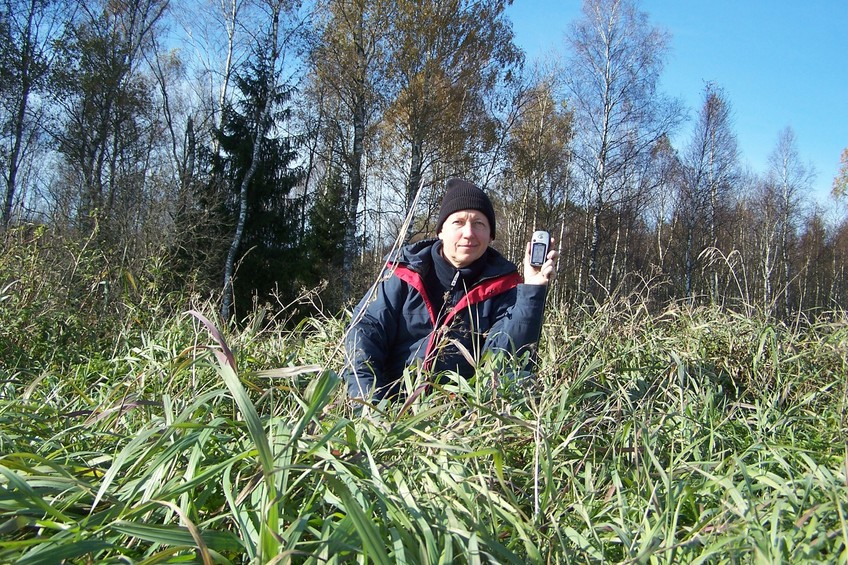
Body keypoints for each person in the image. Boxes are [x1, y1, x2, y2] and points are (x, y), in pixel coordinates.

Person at [342, 178, 558, 402]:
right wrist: (368, 407)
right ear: (441, 231)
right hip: (390, 411)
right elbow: (364, 335)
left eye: (479, 224)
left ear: (490, 236)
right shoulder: (402, 274)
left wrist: (532, 290)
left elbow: (507, 365)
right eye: (458, 222)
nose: (468, 233)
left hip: (459, 421)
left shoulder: (505, 289)